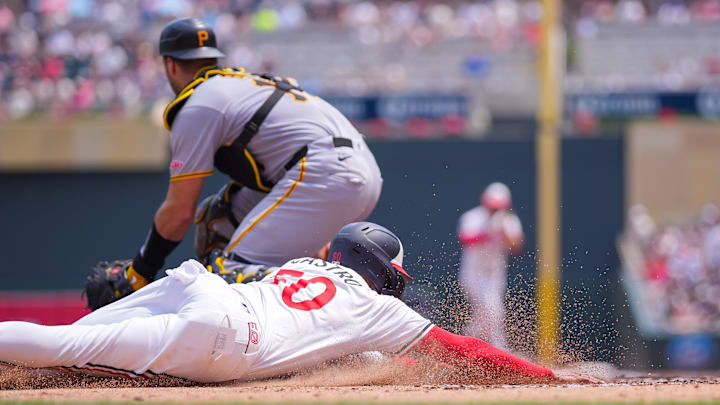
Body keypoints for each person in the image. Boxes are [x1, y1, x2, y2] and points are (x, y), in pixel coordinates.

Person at [0, 222, 595, 384]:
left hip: (199, 284)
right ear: (377, 269)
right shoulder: (376, 309)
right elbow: (463, 349)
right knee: (63, 352)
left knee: (64, 341)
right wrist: (550, 377)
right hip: (226, 337)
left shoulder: (301, 266)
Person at [93, 17, 382, 306]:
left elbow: (179, 213)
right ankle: (341, 295)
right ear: (212, 58)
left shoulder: (198, 104)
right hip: (356, 168)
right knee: (218, 220)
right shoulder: (241, 83)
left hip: (322, 172)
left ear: (170, 64)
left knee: (227, 274)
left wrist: (139, 272)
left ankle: (346, 301)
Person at [457, 182, 524, 350]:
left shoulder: (509, 221)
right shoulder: (473, 217)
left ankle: (463, 347)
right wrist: (488, 232)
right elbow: (465, 240)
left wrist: (505, 233)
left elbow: (517, 247)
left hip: (495, 275)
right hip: (473, 274)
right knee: (493, 311)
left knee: (483, 317)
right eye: (493, 207)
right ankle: (501, 350)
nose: (495, 211)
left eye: (498, 207)